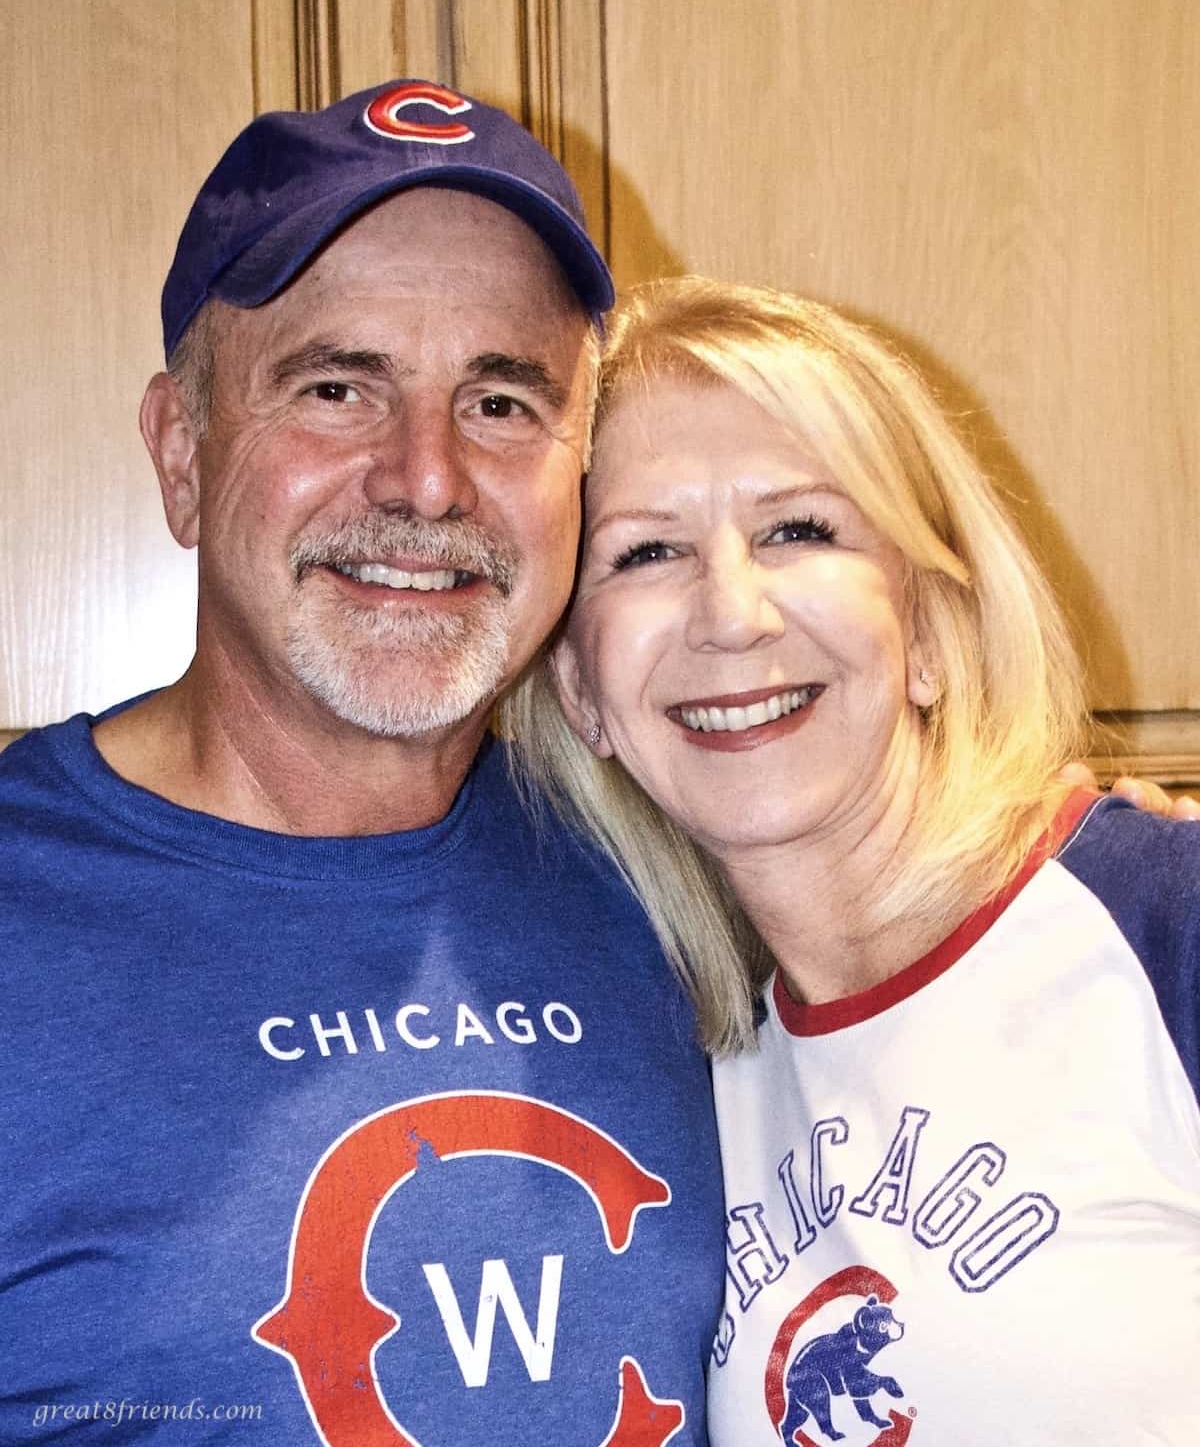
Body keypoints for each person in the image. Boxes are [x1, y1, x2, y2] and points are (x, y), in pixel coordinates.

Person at [0, 84, 725, 1445]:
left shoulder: (676, 861)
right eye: (337, 388)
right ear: (180, 452)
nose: (428, 480)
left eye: (502, 402)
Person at [504, 277, 1200, 1444]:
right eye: (646, 552)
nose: (733, 613)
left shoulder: (1161, 929)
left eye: (799, 529)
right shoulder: (680, 1063)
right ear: (583, 691)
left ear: (929, 626)